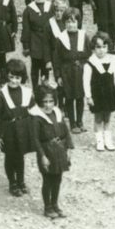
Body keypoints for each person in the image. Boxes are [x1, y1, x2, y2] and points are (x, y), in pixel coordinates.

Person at [0, 59, 36, 196]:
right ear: (6, 76)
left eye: (17, 77)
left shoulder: (27, 93)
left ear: (22, 78)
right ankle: (12, 182)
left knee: (20, 156)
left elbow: (33, 112)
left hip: (23, 129)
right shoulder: (1, 96)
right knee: (10, 157)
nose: (14, 81)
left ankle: (21, 181)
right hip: (9, 130)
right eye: (11, 77)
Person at [31, 85, 74, 219]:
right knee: (48, 179)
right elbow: (35, 139)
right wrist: (42, 156)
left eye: (51, 101)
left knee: (58, 178)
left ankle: (55, 204)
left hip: (60, 149)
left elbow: (66, 132)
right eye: (45, 102)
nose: (48, 105)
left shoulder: (57, 112)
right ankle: (47, 206)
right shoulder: (36, 117)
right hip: (47, 150)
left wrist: (69, 149)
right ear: (40, 101)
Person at [84, 32, 115, 152]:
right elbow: (86, 80)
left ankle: (108, 140)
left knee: (107, 118)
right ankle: (99, 141)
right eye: (98, 47)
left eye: (104, 47)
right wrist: (88, 96)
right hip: (97, 94)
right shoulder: (90, 62)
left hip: (109, 93)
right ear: (94, 48)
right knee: (98, 118)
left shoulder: (112, 61)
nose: (101, 50)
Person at [53, 8, 90, 133]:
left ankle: (80, 121)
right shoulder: (61, 38)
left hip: (81, 71)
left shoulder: (83, 36)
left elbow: (89, 55)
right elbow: (56, 59)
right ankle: (73, 123)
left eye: (73, 22)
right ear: (64, 23)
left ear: (78, 23)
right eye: (68, 22)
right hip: (67, 71)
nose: (71, 25)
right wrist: (58, 76)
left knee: (80, 97)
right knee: (69, 97)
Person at [21, 0, 57, 91]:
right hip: (35, 41)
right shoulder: (28, 9)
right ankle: (35, 88)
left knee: (46, 65)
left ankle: (45, 87)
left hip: (48, 41)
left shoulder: (51, 7)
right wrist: (26, 46)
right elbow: (25, 29)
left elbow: (56, 25)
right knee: (35, 66)